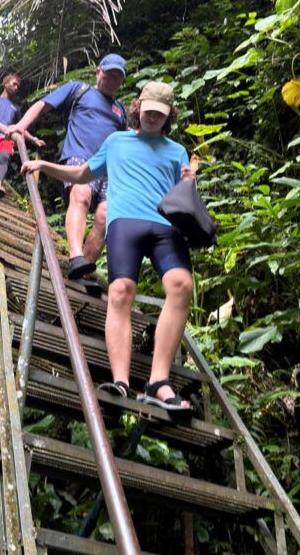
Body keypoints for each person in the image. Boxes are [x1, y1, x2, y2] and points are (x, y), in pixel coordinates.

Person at [21, 82, 196, 412]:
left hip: (163, 227)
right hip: (125, 223)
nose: (152, 118)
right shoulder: (116, 142)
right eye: (148, 112)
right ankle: (121, 381)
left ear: (169, 115)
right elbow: (82, 173)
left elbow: (182, 198)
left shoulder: (176, 152)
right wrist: (43, 166)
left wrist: (190, 181)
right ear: (137, 107)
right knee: (120, 291)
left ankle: (159, 381)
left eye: (159, 114)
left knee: (182, 285)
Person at [7, 54, 127, 280]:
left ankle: (83, 272)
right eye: (109, 74)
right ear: (98, 71)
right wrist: (21, 126)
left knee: (105, 216)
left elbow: (125, 142)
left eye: (117, 78)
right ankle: (75, 256)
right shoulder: (78, 90)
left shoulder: (120, 110)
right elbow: (43, 105)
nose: (111, 80)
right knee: (81, 194)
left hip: (109, 168)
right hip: (79, 156)